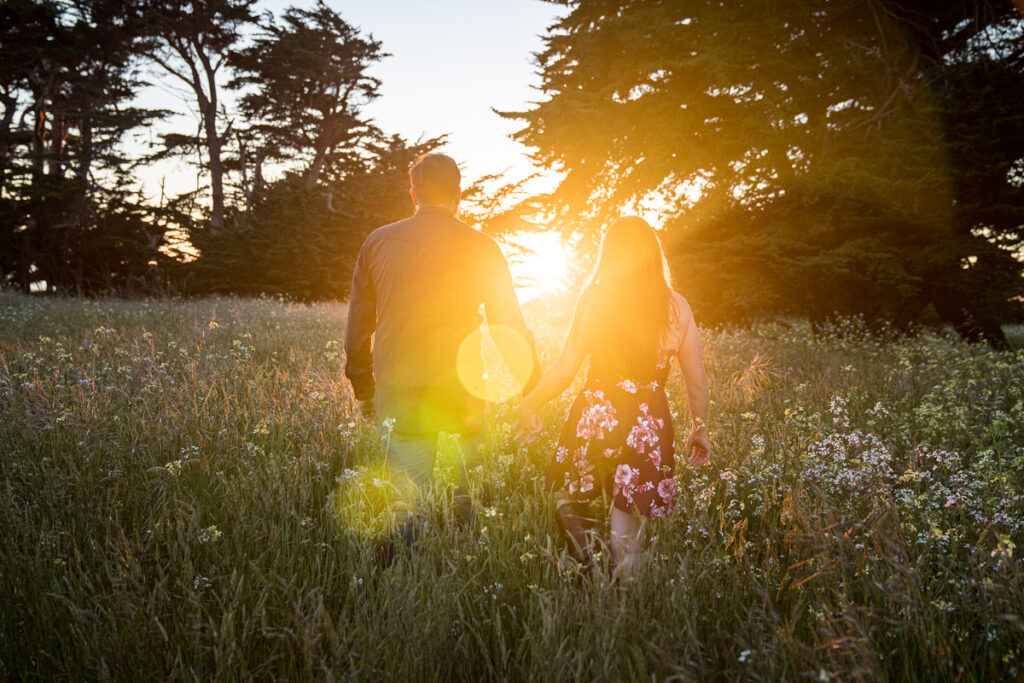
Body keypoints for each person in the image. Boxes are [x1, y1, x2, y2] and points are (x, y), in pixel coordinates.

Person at [345, 153, 541, 540]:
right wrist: (529, 391)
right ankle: (462, 565)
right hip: (461, 393)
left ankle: (399, 583)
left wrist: (363, 388)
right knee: (466, 497)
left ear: (414, 192)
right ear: (459, 193)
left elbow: (358, 328)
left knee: (406, 502)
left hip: (400, 392)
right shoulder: (483, 247)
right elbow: (509, 327)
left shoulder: (377, 242)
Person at [516, 216, 711, 577]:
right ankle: (623, 598)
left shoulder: (595, 298)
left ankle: (589, 571)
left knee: (573, 496)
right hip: (648, 423)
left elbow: (565, 369)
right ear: (654, 255)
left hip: (597, 413)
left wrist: (531, 403)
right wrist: (699, 429)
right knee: (626, 517)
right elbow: (696, 381)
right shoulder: (676, 307)